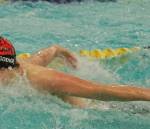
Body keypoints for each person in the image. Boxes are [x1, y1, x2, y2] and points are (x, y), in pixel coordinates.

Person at [0, 36, 150, 108]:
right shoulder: (15, 70)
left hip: (104, 111)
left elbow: (101, 90)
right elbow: (41, 57)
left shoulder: (42, 78)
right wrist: (58, 50)